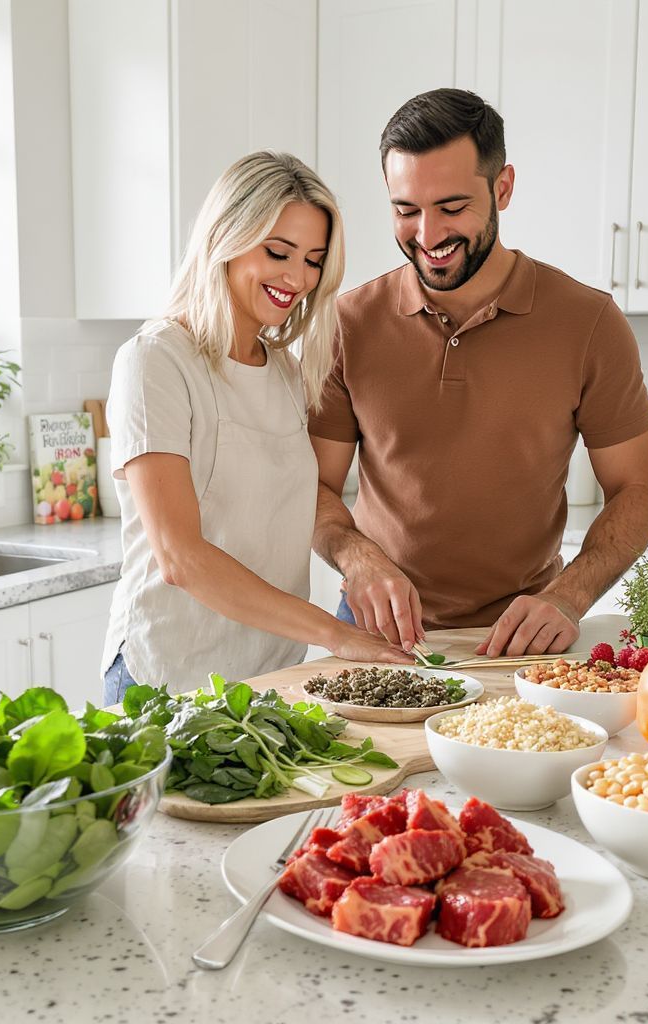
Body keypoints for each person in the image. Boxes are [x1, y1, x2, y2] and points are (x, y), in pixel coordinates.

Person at [308, 88, 648, 659]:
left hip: (521, 636)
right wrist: (356, 556)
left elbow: (639, 487)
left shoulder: (589, 322)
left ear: (503, 188)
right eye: (406, 210)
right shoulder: (346, 325)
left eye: (452, 208)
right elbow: (314, 486)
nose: (428, 236)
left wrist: (568, 596)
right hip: (376, 629)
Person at [102, 151, 410, 702]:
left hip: (266, 680)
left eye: (313, 260)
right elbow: (181, 559)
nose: (298, 278)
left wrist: (362, 557)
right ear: (226, 237)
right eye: (277, 252)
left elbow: (293, 504)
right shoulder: (155, 360)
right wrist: (336, 634)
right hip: (167, 682)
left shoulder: (287, 372)